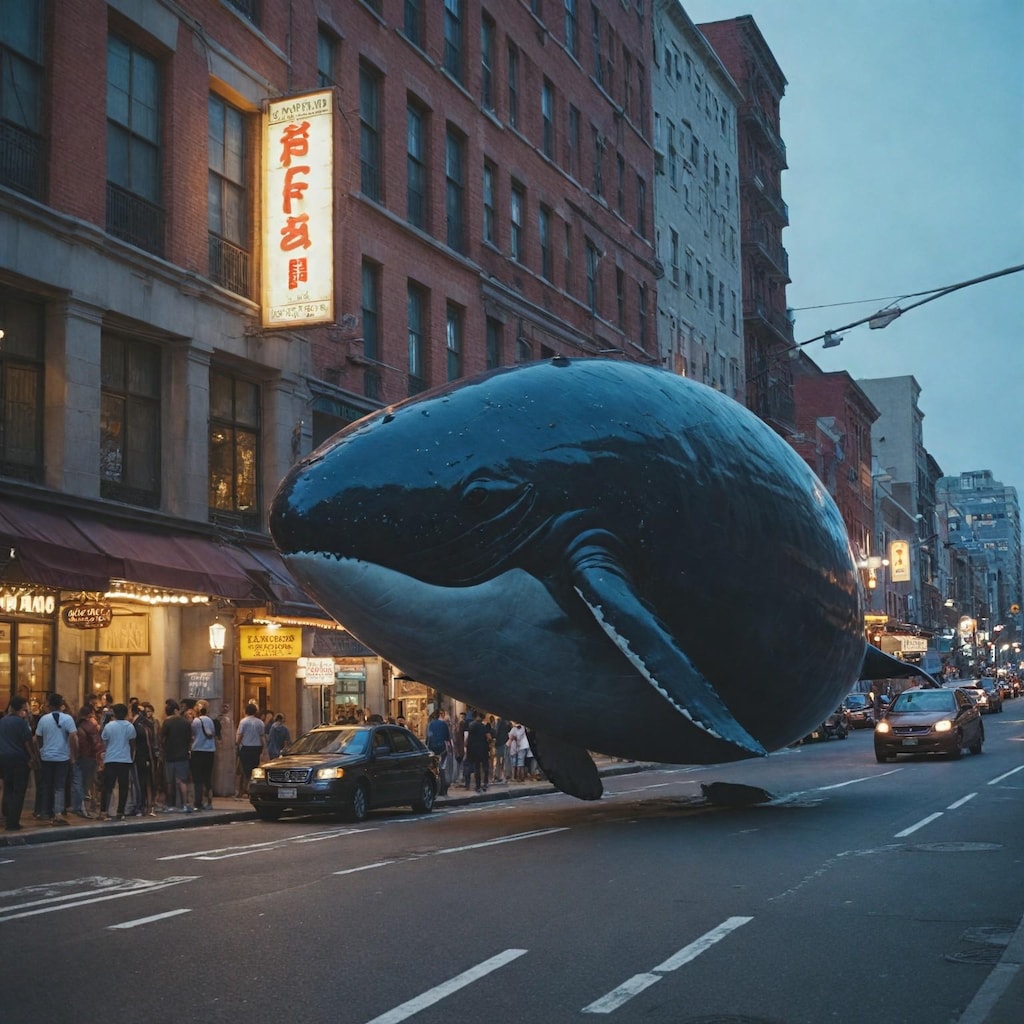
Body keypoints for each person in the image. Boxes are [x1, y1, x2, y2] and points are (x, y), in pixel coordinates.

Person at [34, 692, 78, 825]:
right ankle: (58, 812)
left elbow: (37, 738)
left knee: (46, 784)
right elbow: (73, 737)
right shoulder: (68, 719)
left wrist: (41, 749)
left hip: (46, 756)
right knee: (60, 786)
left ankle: (45, 811)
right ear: (61, 705)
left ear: (49, 705)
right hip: (63, 756)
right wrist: (73, 754)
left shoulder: (43, 719)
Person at [0, 697, 37, 831]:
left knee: (8, 788)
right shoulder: (21, 723)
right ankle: (13, 822)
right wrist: (33, 758)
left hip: (3, 759)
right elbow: (28, 743)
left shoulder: (2, 721)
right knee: (19, 791)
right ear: (21, 709)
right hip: (19, 760)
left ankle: (5, 816)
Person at [99, 703, 136, 821]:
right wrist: (131, 756)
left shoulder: (109, 726)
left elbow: (104, 740)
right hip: (125, 759)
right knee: (123, 786)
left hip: (111, 758)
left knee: (107, 786)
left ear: (114, 713)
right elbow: (132, 743)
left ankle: (104, 811)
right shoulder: (129, 726)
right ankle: (120, 812)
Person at [70, 705, 103, 819]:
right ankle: (85, 807)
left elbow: (76, 742)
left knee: (79, 783)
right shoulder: (93, 726)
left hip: (82, 756)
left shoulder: (79, 726)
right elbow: (98, 742)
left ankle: (80, 807)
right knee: (88, 784)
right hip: (92, 757)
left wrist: (74, 755)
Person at [160, 702, 192, 812]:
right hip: (183, 755)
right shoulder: (186, 722)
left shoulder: (167, 722)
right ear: (175, 710)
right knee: (182, 781)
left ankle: (170, 805)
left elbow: (162, 738)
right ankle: (185, 804)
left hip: (170, 755)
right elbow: (190, 738)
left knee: (169, 781)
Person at [190, 703, 217, 810]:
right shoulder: (210, 721)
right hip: (210, 751)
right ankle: (209, 802)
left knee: (198, 778)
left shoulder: (196, 721)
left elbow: (193, 733)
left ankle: (198, 802)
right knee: (207, 777)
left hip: (198, 750)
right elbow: (213, 733)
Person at [235, 704, 265, 796]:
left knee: (244, 769)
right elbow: (262, 736)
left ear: (246, 711)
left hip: (246, 747)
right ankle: (251, 788)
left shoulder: (243, 722)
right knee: (254, 768)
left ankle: (243, 789)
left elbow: (240, 735)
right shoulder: (260, 722)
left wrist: (237, 744)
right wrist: (263, 748)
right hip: (256, 747)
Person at [425, 709, 452, 796]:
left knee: (434, 769)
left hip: (432, 749)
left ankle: (437, 789)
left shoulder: (429, 725)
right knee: (442, 768)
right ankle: (443, 789)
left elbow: (428, 738)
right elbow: (447, 738)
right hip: (442, 749)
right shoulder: (443, 724)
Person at [465, 711, 491, 793]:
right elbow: (489, 737)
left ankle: (476, 785)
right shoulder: (484, 726)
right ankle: (485, 783)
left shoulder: (471, 726)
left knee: (475, 767)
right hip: (483, 749)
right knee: (485, 767)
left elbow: (467, 739)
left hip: (473, 749)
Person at [492, 716, 511, 783]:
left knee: (498, 761)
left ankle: (497, 775)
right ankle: (504, 776)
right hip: (504, 743)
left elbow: (495, 732)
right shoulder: (507, 723)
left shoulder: (498, 722)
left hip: (498, 743)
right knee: (505, 761)